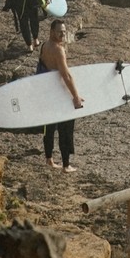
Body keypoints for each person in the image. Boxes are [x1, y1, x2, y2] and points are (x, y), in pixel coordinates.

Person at [37, 19, 85, 172]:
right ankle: (66, 165)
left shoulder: (45, 45)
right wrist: (76, 96)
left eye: (64, 32)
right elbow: (66, 76)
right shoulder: (58, 50)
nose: (62, 34)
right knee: (65, 128)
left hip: (46, 92)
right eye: (59, 31)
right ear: (51, 32)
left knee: (49, 126)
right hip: (57, 93)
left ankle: (49, 159)